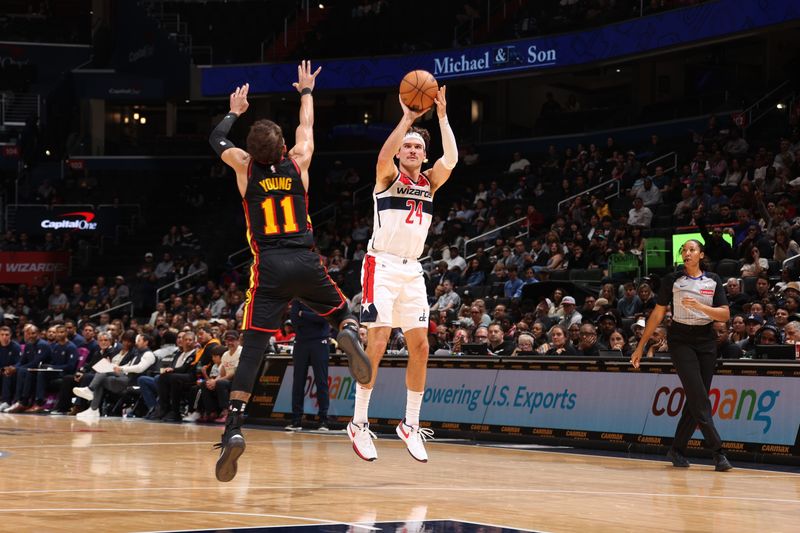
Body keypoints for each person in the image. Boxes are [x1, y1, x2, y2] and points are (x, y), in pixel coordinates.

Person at [208, 62, 371, 481]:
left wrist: (234, 110)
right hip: (305, 258)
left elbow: (216, 138)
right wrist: (305, 92)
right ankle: (348, 332)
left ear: (253, 151)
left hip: (269, 269)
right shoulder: (299, 162)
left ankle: (234, 430)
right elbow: (307, 127)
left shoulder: (245, 166)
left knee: (254, 349)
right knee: (340, 311)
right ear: (282, 148)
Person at [351, 83, 456, 463]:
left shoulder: (429, 182)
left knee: (422, 347)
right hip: (381, 265)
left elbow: (453, 159)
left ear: (424, 155)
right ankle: (359, 421)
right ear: (400, 152)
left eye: (417, 147)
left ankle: (410, 423)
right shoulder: (387, 178)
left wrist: (441, 116)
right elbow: (383, 155)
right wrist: (407, 119)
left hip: (413, 270)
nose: (412, 150)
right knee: (377, 343)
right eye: (407, 146)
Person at [631, 239, 732, 471]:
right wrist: (641, 346)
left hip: (706, 340)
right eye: (683, 250)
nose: (687, 253)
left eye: (692, 249)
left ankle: (677, 449)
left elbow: (725, 315)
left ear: (701, 254)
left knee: (697, 397)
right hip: (681, 340)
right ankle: (718, 451)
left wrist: (700, 307)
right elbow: (657, 315)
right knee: (700, 397)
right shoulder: (672, 280)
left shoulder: (713, 280)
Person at [286, 300, 332, 431]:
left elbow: (323, 318)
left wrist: (303, 314)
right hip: (301, 342)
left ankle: (323, 420)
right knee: (298, 382)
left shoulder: (321, 297)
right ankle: (296, 420)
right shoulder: (297, 300)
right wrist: (312, 316)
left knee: (321, 381)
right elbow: (294, 319)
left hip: (320, 342)